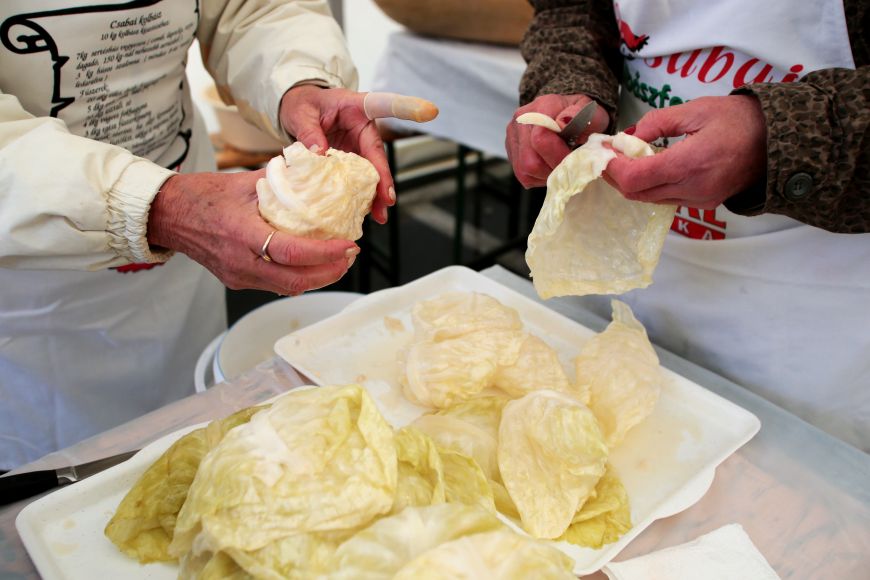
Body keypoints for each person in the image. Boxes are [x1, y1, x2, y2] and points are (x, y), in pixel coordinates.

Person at [0, 1, 431, 470]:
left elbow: (252, 8)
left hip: (185, 260)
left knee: (190, 445)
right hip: (36, 282)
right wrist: (158, 206)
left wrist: (300, 82)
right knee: (67, 479)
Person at [506, 1, 869, 449]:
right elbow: (571, 9)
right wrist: (569, 85)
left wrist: (777, 137)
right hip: (623, 268)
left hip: (811, 316)